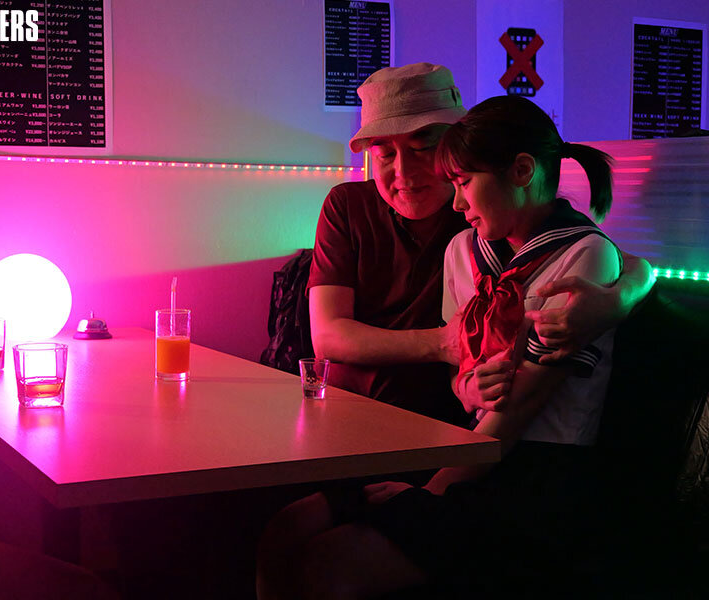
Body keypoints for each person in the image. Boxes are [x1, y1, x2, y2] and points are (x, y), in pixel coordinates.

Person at [257, 95, 625, 599]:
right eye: (385, 154)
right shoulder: (465, 247)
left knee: (328, 564)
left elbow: (518, 412)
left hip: (530, 470)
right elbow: (459, 366)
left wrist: (430, 491)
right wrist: (466, 385)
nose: (456, 204)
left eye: (463, 182)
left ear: (522, 171)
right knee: (282, 533)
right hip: (456, 447)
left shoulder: (581, 255)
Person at [308, 62, 653, 423]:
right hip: (345, 409)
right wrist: (444, 343)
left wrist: (616, 301)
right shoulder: (348, 204)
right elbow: (328, 336)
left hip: (441, 420)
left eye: (424, 147)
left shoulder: (484, 209)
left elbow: (609, 256)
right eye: (385, 155)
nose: (404, 173)